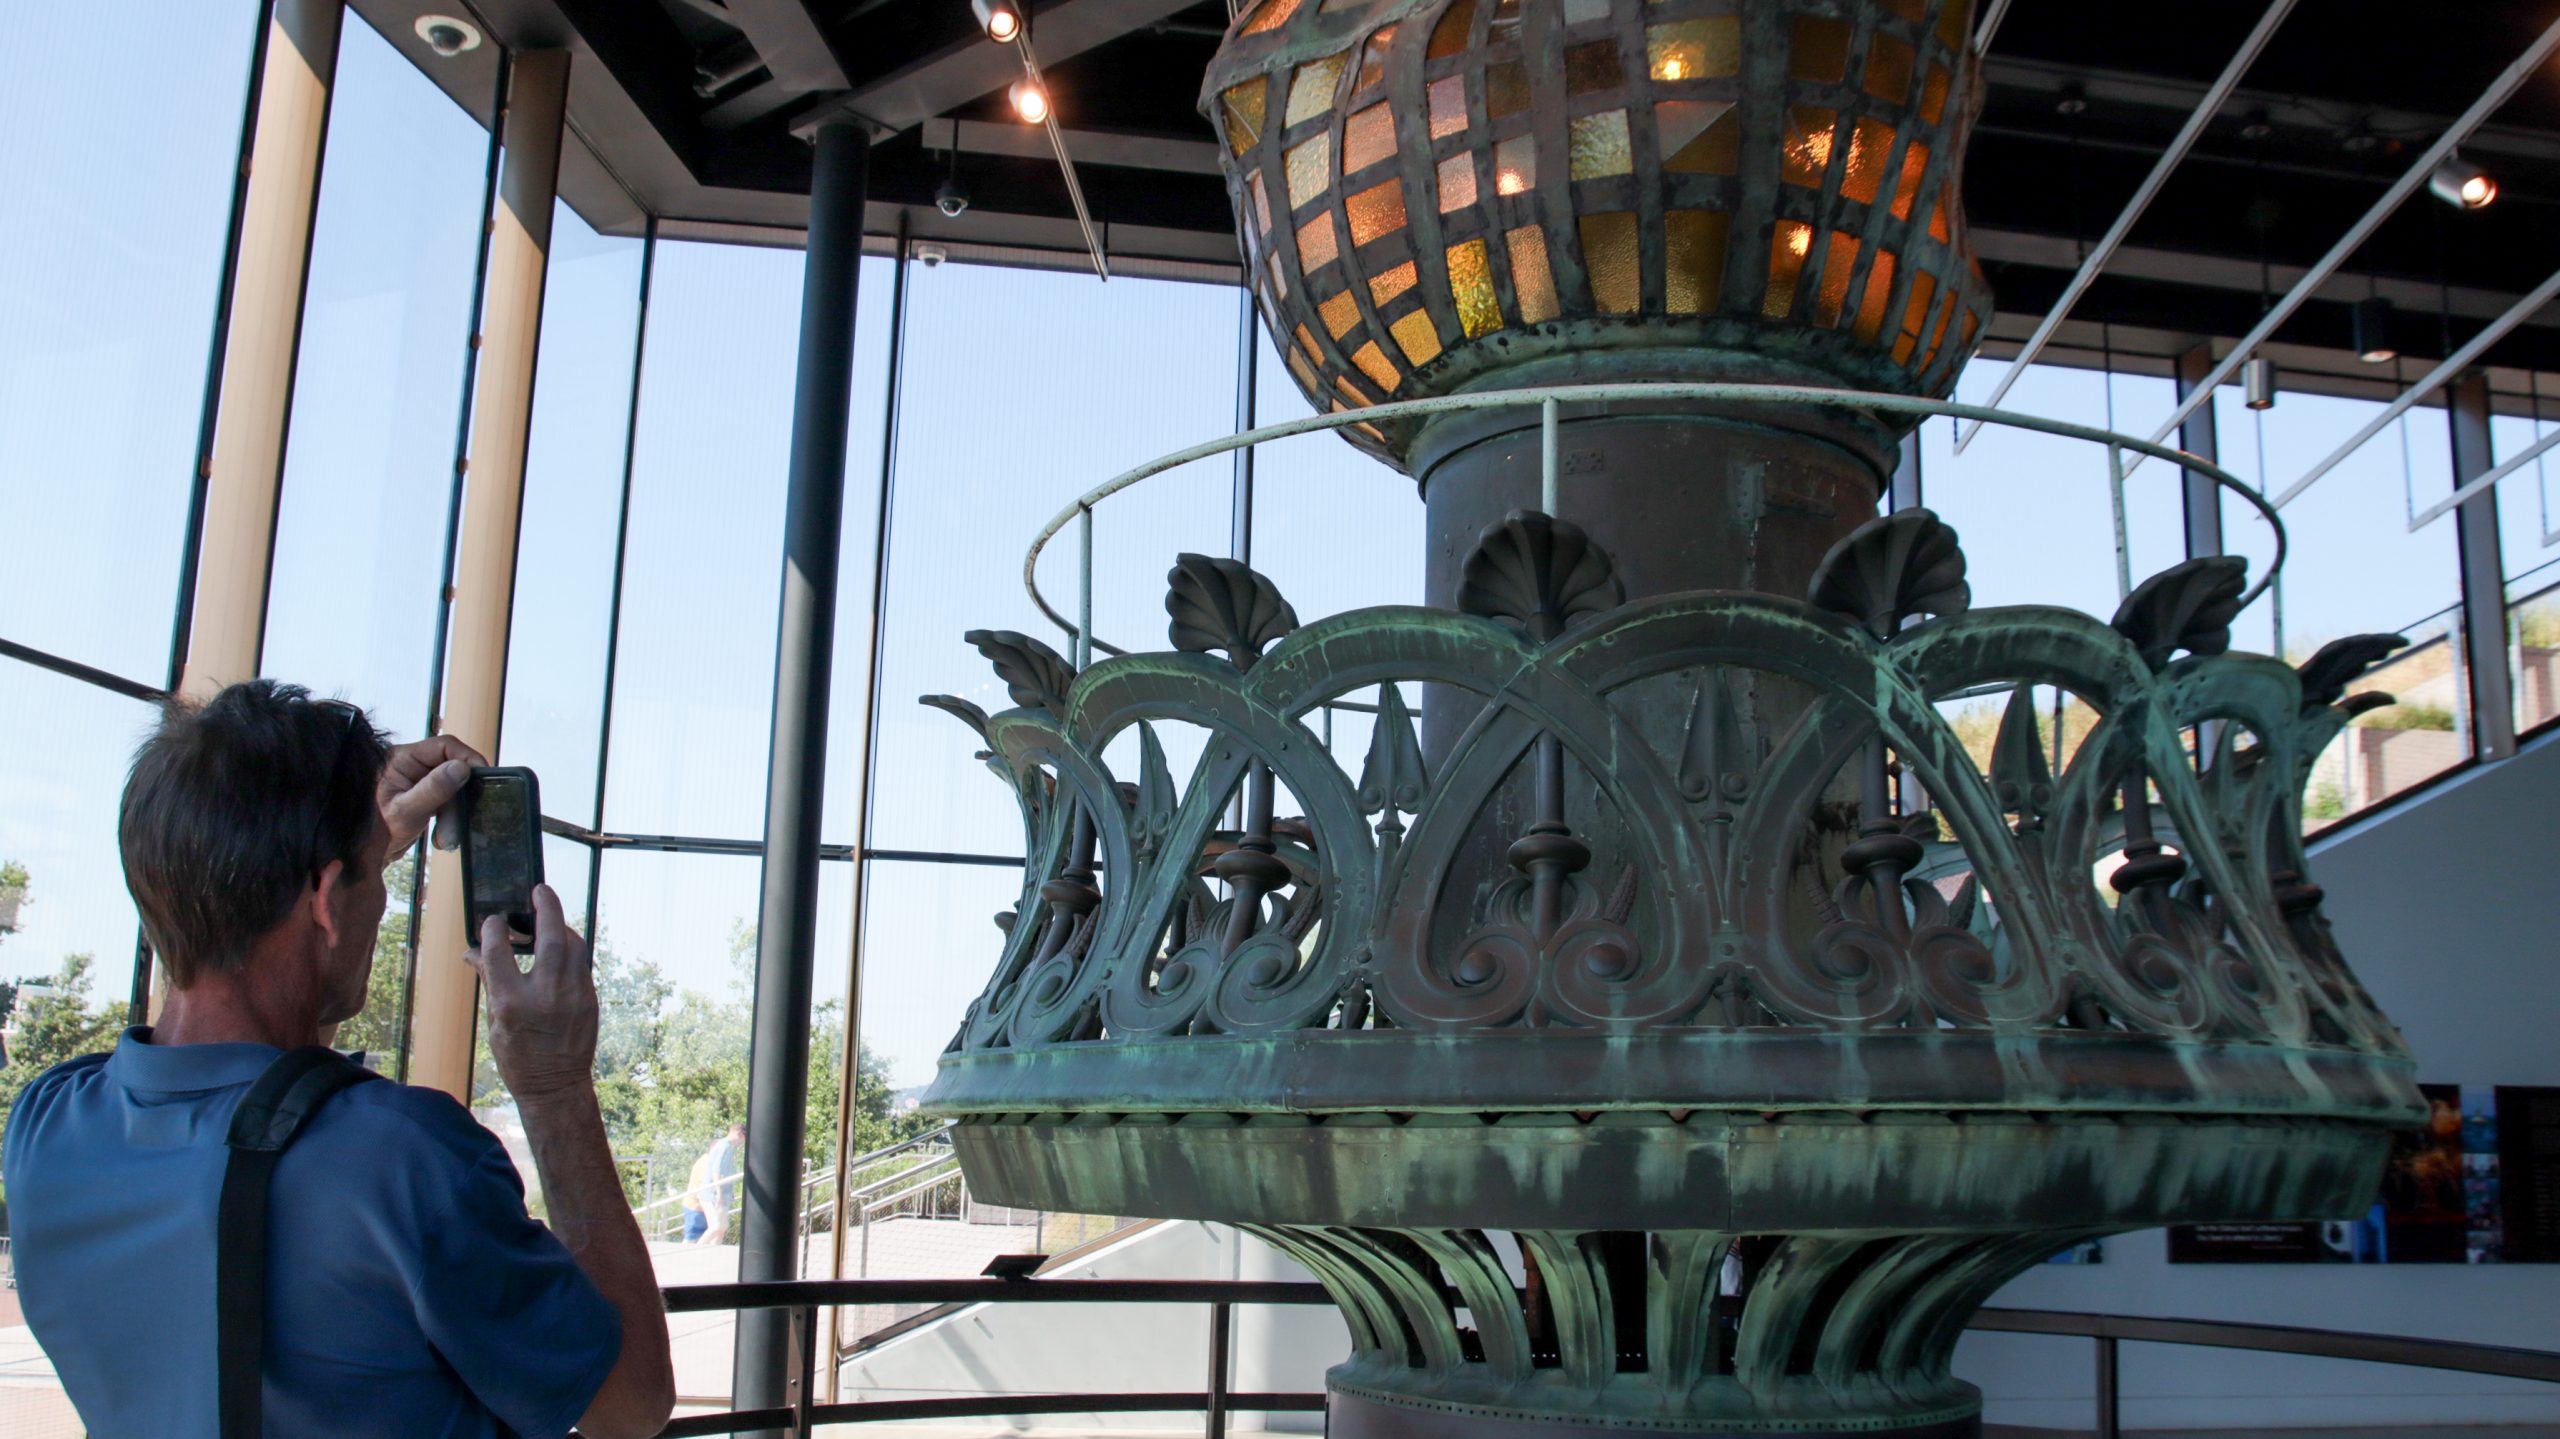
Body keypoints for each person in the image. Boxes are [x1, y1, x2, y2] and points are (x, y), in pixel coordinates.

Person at [0, 681, 673, 1439]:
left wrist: (347, 848)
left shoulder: (46, 1126)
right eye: (375, 876)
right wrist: (554, 1087)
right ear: (324, 896)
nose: (380, 900)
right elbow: (630, 1403)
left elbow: (224, 994)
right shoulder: (403, 1157)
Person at [680, 1123, 746, 1245]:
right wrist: (720, 1194)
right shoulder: (724, 1146)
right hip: (712, 1195)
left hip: (719, 1194)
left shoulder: (727, 1147)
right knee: (716, 1226)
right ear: (739, 1134)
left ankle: (713, 1251)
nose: (743, 1142)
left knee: (722, 1227)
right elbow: (717, 1171)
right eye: (744, 1137)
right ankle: (697, 1250)